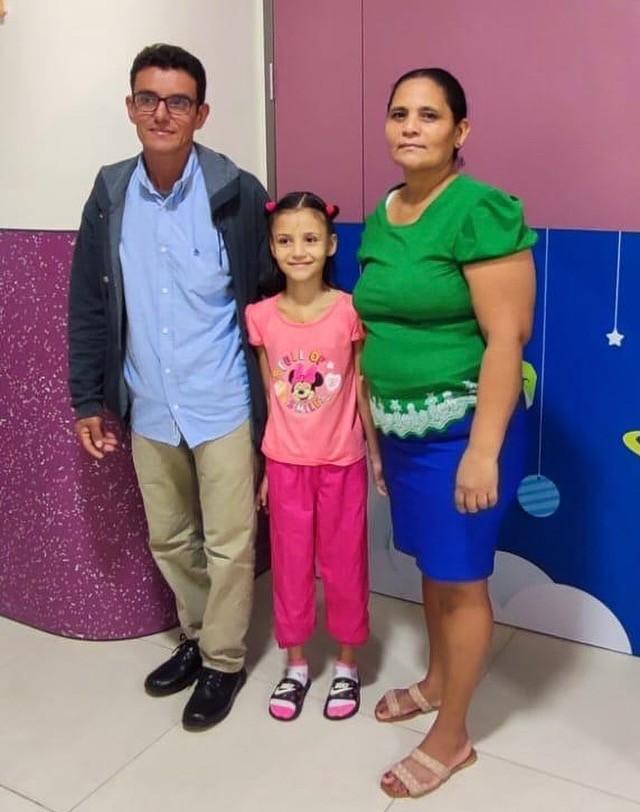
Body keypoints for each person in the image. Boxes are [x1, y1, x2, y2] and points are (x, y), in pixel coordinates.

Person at [68, 43, 278, 731]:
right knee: (170, 537)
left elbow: (268, 296)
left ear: (201, 113)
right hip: (150, 403)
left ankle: (223, 660)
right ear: (131, 107)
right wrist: (87, 398)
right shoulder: (110, 193)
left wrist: (281, 410)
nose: (162, 113)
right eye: (148, 99)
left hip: (223, 400)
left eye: (178, 101)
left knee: (230, 541)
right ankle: (196, 634)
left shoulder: (236, 191)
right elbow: (90, 302)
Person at [353, 68, 537, 797]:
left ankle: (453, 735)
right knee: (435, 570)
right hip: (401, 433)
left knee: (461, 582)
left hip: (463, 432)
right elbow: (375, 331)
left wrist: (483, 451)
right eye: (399, 113)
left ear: (460, 131)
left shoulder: (480, 209)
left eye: (429, 115)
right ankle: (436, 681)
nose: (410, 126)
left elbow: (506, 338)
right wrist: (375, 437)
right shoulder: (384, 211)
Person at [244, 192, 386, 722]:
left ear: (330, 244)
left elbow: (363, 389)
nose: (297, 250)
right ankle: (296, 665)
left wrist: (375, 456)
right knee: (290, 567)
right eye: (285, 240)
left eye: (309, 239)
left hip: (341, 463)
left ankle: (348, 664)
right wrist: (266, 468)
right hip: (285, 465)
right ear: (272, 247)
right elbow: (271, 396)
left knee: (346, 565)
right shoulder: (261, 317)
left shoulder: (350, 312)